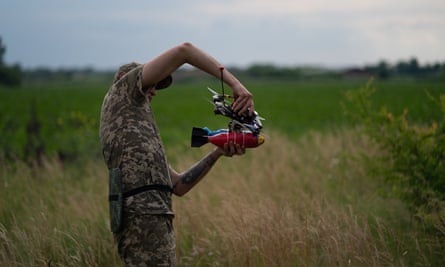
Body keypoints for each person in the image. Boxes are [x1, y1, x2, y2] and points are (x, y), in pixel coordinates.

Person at [99, 42, 255, 266]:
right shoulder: (122, 93)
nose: (154, 90)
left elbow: (178, 185)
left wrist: (218, 152)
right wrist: (236, 85)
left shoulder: (139, 128)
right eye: (151, 83)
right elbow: (185, 50)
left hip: (158, 220)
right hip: (141, 218)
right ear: (126, 77)